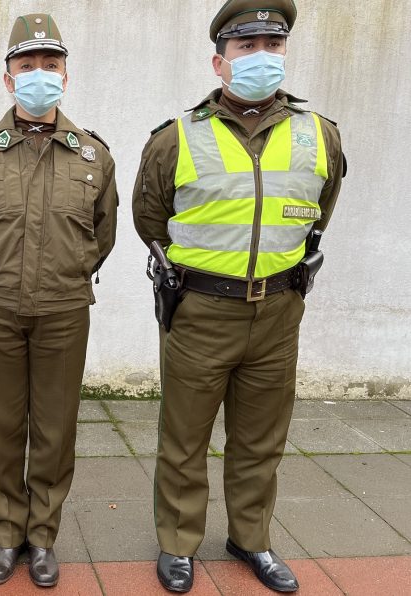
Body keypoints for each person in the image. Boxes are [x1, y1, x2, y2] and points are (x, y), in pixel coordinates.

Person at [132, 0, 346, 592]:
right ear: (219, 62)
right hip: (201, 310)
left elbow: (316, 217)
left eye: (272, 47)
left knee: (261, 439)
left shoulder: (319, 135)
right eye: (245, 48)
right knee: (184, 438)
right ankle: (178, 543)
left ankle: (250, 538)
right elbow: (151, 220)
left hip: (279, 311)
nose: (261, 58)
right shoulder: (176, 137)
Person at [0, 13, 117, 588]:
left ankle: (42, 537)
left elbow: (102, 234)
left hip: (65, 309)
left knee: (54, 427)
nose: (38, 74)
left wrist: (65, 274)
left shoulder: (92, 156)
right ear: (7, 77)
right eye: (27, 65)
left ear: (65, 75)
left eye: (50, 64)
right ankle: (7, 533)